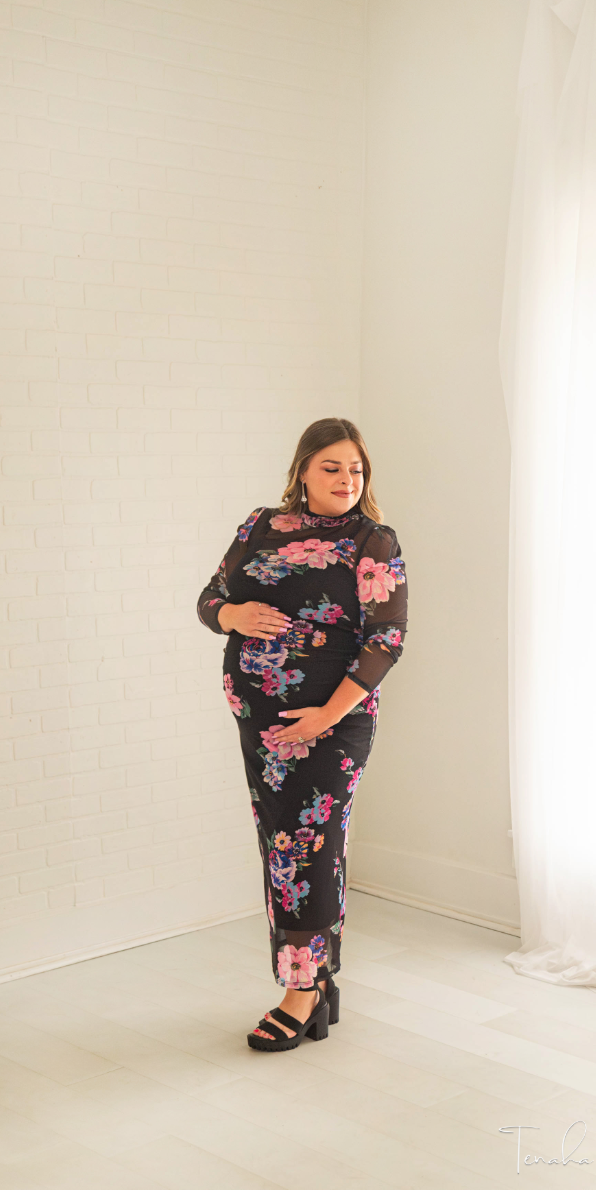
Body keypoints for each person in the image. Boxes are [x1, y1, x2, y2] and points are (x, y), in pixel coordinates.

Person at [197, 417, 408, 1051]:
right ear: (303, 471)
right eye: (331, 467)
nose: (347, 480)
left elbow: (386, 642)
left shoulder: (372, 540)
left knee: (306, 851)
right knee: (281, 848)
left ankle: (301, 993)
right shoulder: (260, 525)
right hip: (262, 727)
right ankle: (319, 982)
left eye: (357, 470)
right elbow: (210, 598)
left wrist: (325, 716)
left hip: (331, 726)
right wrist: (233, 614)